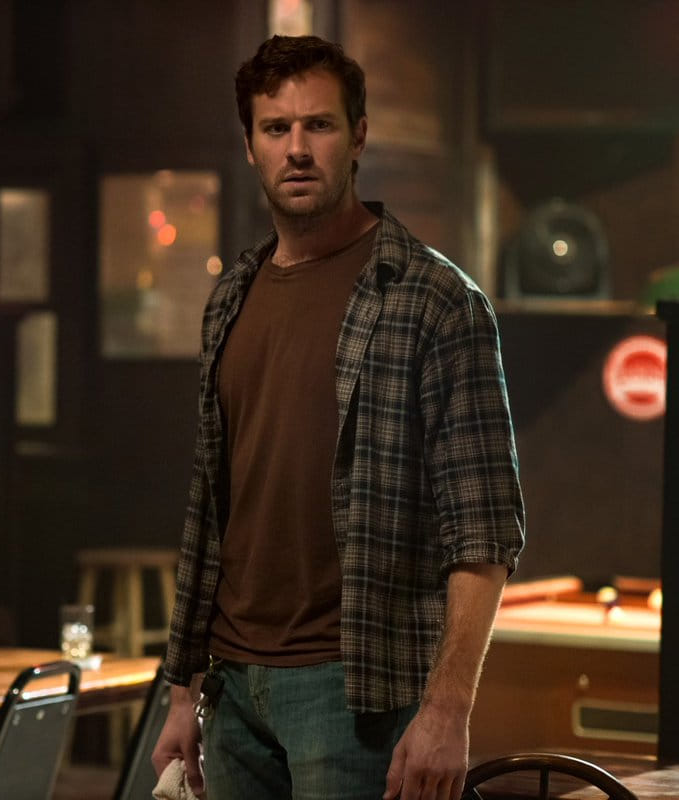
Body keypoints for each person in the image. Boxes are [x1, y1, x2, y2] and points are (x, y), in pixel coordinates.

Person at [151, 35, 526, 800]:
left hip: (354, 690)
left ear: (357, 136)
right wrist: (183, 691)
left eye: (317, 125)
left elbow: (484, 531)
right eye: (274, 128)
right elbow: (209, 512)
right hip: (232, 686)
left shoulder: (434, 300)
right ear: (250, 145)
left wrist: (446, 710)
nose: (296, 148)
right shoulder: (232, 297)